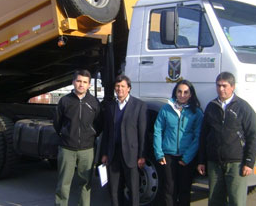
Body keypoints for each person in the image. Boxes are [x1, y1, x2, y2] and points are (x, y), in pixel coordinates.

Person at [197, 72, 256, 206]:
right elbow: (204, 135)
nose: (221, 89)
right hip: (214, 163)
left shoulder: (244, 108)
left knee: (236, 200)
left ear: (233, 87)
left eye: (224, 86)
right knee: (215, 200)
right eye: (218, 86)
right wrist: (201, 160)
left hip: (236, 163)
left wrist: (249, 162)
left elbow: (252, 136)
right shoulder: (211, 107)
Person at [53, 69, 102, 206]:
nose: (81, 84)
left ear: (89, 85)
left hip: (87, 149)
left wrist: (90, 135)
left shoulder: (94, 102)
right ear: (73, 82)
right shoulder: (65, 101)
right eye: (79, 81)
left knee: (85, 184)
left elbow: (99, 123)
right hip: (67, 148)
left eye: (85, 82)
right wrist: (65, 134)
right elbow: (57, 122)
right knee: (64, 183)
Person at [153, 80, 203, 205]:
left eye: (186, 92)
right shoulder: (166, 109)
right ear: (175, 92)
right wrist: (159, 153)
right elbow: (157, 131)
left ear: (191, 94)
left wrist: (187, 158)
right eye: (179, 91)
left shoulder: (196, 113)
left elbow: (198, 137)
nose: (182, 95)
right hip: (168, 156)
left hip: (186, 158)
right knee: (169, 190)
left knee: (184, 191)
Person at [101, 74, 148, 206]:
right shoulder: (110, 107)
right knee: (114, 190)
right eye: (117, 86)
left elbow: (142, 133)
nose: (119, 89)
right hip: (113, 153)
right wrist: (104, 153)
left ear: (129, 88)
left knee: (133, 189)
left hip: (131, 155)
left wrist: (142, 155)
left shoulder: (139, 105)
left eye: (122, 86)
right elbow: (107, 132)